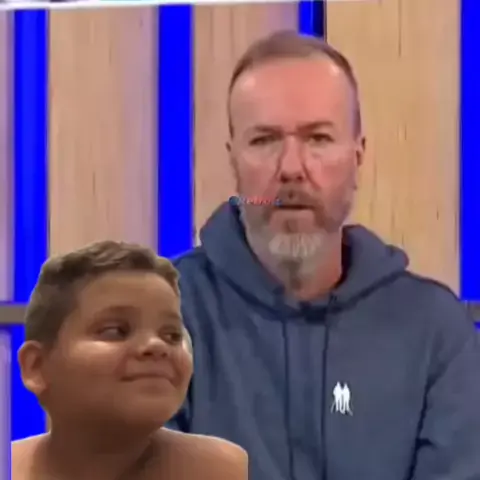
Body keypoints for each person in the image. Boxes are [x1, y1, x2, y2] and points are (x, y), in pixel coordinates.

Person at [169, 30, 480, 480]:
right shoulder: (163, 317)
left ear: (358, 155)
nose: (291, 168)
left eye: (317, 138)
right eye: (265, 140)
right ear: (233, 159)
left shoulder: (436, 332)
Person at [11, 241, 248, 480]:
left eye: (172, 335)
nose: (157, 346)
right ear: (36, 366)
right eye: (115, 331)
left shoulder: (219, 470)